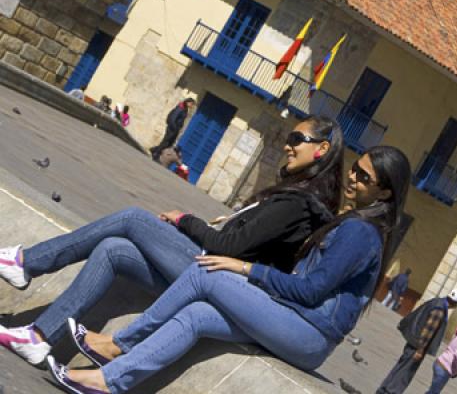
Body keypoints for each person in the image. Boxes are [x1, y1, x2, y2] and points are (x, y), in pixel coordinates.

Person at [47, 146, 412, 394]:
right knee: (200, 314)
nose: (352, 178)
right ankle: (110, 382)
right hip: (297, 325)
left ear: (384, 195)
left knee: (209, 271)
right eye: (355, 169)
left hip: (307, 333)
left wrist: (245, 268)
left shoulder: (360, 232)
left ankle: (118, 343)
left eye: (365, 178)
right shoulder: (356, 225)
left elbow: (311, 291)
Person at [0, 116, 344, 367]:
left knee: (133, 217)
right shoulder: (296, 195)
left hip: (218, 279)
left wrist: (185, 220)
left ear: (322, 149)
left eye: (297, 139)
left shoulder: (299, 203)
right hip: (205, 272)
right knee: (113, 249)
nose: (288, 144)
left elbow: (231, 247)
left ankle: (26, 263)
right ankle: (40, 337)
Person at [376, 289, 457, 394]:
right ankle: (390, 392)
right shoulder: (440, 310)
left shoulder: (437, 301)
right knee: (405, 373)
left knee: (400, 368)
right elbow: (428, 330)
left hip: (413, 341)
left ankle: (383, 390)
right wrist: (420, 350)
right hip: (417, 345)